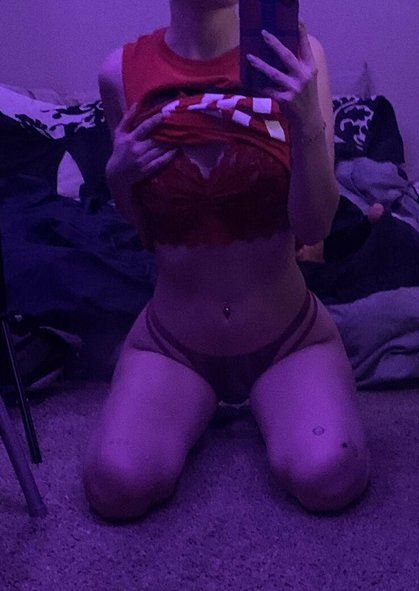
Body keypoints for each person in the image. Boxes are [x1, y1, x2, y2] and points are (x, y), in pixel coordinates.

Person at [83, 0, 371, 521]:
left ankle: (281, 402)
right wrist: (117, 178)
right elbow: (141, 224)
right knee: (115, 486)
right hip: (172, 344)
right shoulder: (119, 72)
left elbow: (315, 228)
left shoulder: (297, 56)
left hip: (289, 339)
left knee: (331, 474)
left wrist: (307, 119)